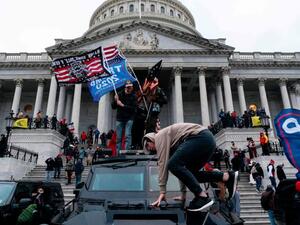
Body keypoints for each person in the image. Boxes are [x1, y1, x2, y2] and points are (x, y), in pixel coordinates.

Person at [142, 123, 238, 211]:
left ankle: (202, 197)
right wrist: (183, 194)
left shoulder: (159, 137)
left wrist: (162, 192)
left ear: (150, 138)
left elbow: (163, 165)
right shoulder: (171, 144)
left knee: (172, 164)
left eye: (147, 145)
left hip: (200, 137)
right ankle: (226, 176)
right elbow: (182, 172)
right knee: (190, 173)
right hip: (208, 141)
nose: (149, 148)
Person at [112, 80, 137, 153]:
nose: (129, 88)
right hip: (120, 118)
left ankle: (127, 152)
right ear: (125, 87)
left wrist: (122, 105)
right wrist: (115, 100)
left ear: (132, 87)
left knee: (127, 135)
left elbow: (133, 109)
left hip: (129, 118)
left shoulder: (134, 96)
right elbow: (113, 106)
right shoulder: (119, 94)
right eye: (127, 87)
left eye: (130, 87)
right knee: (118, 137)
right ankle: (118, 153)